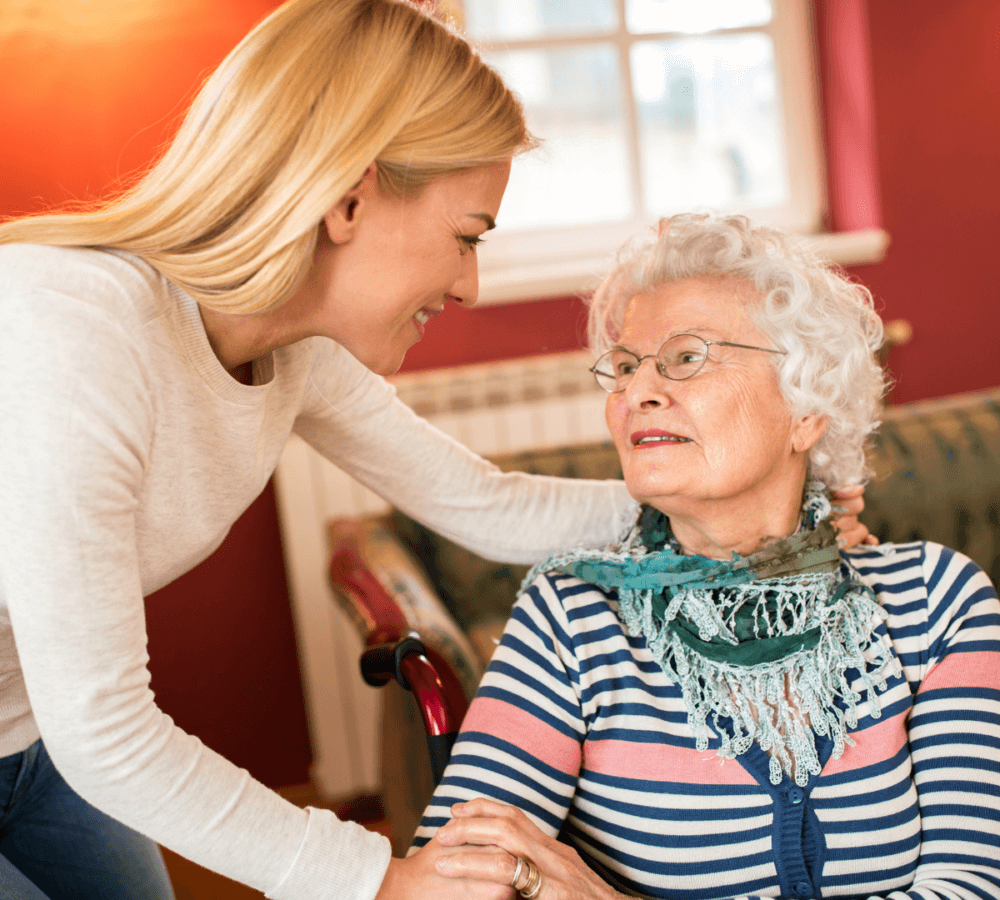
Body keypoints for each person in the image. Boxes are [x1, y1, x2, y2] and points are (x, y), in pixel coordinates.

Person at [0, 2, 872, 896]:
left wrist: (725, 509)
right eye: (466, 236)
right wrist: (381, 880)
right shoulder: (66, 331)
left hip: (30, 743)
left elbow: (484, 504)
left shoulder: (291, 351)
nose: (468, 284)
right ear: (349, 198)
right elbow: (106, 728)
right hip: (76, 739)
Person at [411, 213, 1000, 900]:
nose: (636, 392)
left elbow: (974, 887)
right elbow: (452, 883)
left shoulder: (938, 600)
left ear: (806, 411)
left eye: (687, 358)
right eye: (626, 367)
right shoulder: (569, 618)